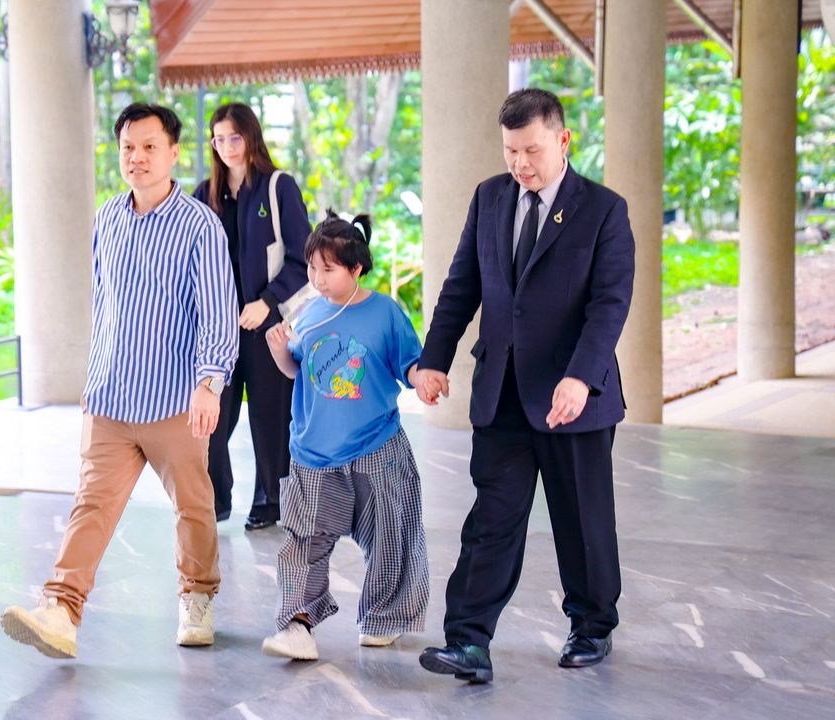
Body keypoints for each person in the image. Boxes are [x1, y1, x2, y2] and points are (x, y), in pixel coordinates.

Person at [0, 103, 238, 658]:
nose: (137, 157)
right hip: (111, 397)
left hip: (175, 400)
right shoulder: (107, 217)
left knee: (194, 507)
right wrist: (93, 378)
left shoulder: (200, 226)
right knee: (91, 505)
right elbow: (104, 306)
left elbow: (218, 312)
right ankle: (61, 610)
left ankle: (197, 597)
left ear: (173, 153)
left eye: (150, 146)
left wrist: (210, 383)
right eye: (129, 147)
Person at [414, 88, 635, 683]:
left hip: (573, 398)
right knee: (492, 518)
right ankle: (468, 640)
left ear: (562, 141)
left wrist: (580, 377)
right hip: (503, 392)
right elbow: (462, 285)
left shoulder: (603, 210)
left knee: (582, 520)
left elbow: (610, 305)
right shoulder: (489, 198)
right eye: (511, 151)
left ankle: (592, 626)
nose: (520, 163)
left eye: (531, 150)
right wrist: (434, 359)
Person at [259, 211, 429, 661]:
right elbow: (297, 370)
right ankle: (297, 625)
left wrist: (425, 379)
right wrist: (279, 352)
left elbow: (409, 365)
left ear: (355, 268)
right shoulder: (308, 311)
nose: (317, 279)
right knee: (304, 540)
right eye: (312, 267)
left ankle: (383, 618)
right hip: (315, 451)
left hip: (377, 445)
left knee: (392, 532)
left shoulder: (385, 312)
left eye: (327, 269)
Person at [192, 103, 313, 531]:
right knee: (212, 416)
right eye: (218, 139)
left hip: (266, 326)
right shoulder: (204, 195)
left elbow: (303, 258)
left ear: (251, 137)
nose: (226, 146)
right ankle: (214, 499)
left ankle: (271, 500)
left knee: (270, 417)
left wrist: (267, 301)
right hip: (218, 331)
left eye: (234, 137)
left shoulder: (278, 188)